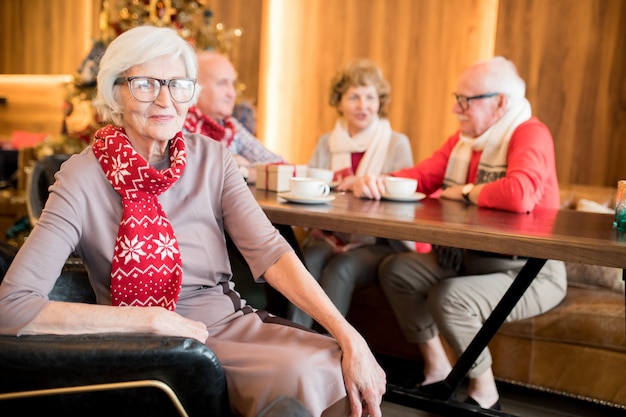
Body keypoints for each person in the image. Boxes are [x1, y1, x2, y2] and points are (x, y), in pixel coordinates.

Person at [0, 26, 386, 417]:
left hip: (225, 328)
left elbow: (271, 253)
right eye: (146, 84)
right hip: (134, 341)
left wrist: (349, 335)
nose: (165, 100)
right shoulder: (79, 178)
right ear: (115, 91)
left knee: (331, 369)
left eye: (178, 85)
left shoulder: (213, 160)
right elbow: (11, 306)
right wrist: (148, 321)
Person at [352, 56, 567, 411]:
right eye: (457, 98)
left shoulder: (530, 133)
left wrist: (467, 192)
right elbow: (421, 176)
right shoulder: (465, 142)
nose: (456, 107)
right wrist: (375, 182)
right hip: (471, 259)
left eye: (466, 100)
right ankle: (438, 368)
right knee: (397, 270)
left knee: (450, 296)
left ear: (500, 103)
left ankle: (486, 393)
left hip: (530, 271)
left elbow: (520, 193)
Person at [288, 59, 418, 329]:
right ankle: (296, 341)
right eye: (354, 97)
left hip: (379, 240)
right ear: (339, 102)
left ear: (380, 101)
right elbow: (314, 189)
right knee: (306, 260)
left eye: (370, 96)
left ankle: (331, 349)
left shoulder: (396, 143)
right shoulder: (326, 142)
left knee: (342, 266)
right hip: (330, 232)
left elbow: (403, 204)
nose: (363, 105)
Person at [184, 49, 285, 184]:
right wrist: (237, 167)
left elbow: (281, 167)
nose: (232, 94)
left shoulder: (229, 126)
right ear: (195, 86)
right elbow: (196, 176)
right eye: (222, 83)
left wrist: (245, 171)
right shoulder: (178, 123)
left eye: (233, 84)